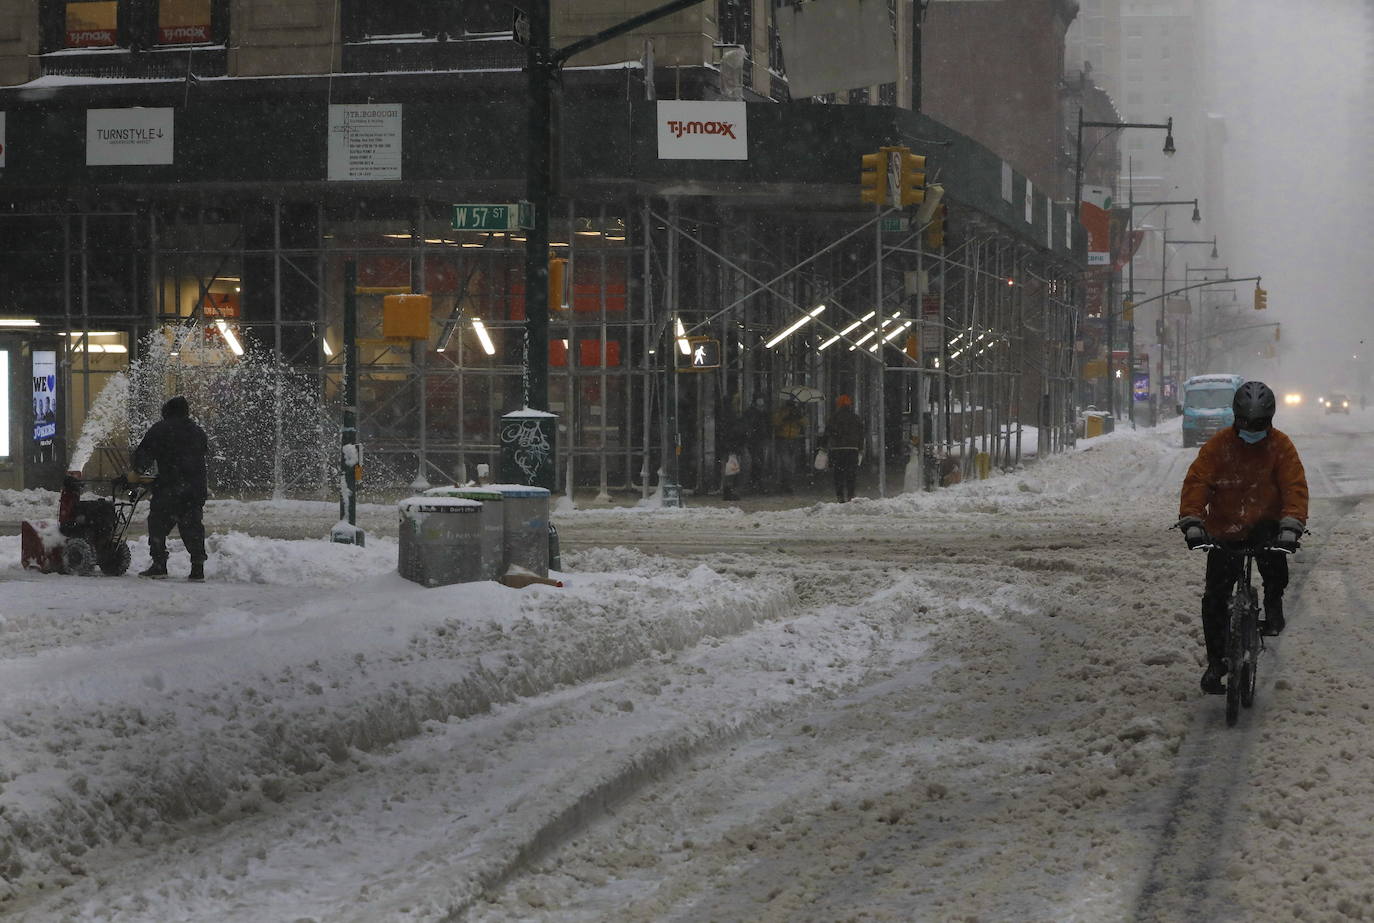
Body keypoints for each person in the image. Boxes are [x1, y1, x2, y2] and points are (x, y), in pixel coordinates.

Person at [1177, 380, 1308, 695]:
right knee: (1214, 599)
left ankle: (1273, 606)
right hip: (1225, 528)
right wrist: (1192, 520)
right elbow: (1198, 482)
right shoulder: (1218, 446)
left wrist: (1291, 525)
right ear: (1235, 419)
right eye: (1246, 423)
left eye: (1260, 424)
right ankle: (1216, 663)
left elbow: (1294, 486)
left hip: (1266, 525)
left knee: (1275, 565)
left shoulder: (1281, 447)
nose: (1252, 430)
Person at [132, 395, 210, 581]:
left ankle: (159, 564)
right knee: (192, 526)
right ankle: (197, 568)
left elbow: (144, 453)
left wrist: (137, 471)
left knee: (158, 523)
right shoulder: (197, 431)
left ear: (167, 411)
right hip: (195, 488)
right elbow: (201, 452)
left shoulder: (161, 429)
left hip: (170, 488)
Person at [822, 394, 864, 502]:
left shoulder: (833, 418)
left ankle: (840, 497)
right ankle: (851, 495)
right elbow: (861, 434)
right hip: (852, 449)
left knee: (838, 474)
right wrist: (860, 448)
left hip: (837, 449)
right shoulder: (856, 418)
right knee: (851, 474)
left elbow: (827, 433)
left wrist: (823, 447)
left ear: (838, 405)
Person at [772, 396, 807, 493]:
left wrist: (799, 417)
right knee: (785, 462)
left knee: (791, 463)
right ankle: (785, 483)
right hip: (782, 438)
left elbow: (805, 423)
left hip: (793, 439)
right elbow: (775, 423)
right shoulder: (782, 411)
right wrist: (785, 418)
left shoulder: (797, 412)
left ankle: (788, 483)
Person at [718, 393, 747, 502]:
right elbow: (732, 432)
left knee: (731, 469)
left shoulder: (729, 416)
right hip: (732, 446)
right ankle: (729, 490)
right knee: (731, 469)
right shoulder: (731, 417)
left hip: (732, 445)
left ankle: (729, 490)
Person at [742, 395, 773, 493]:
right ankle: (756, 482)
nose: (761, 406)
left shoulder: (761, 413)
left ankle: (755, 482)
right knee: (758, 461)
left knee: (758, 460)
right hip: (755, 440)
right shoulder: (754, 413)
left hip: (759, 440)